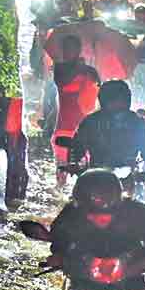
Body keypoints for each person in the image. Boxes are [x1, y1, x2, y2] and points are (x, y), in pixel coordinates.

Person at [68, 80, 145, 180]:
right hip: (96, 176)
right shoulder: (91, 122)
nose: (119, 104)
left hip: (127, 176)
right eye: (114, 100)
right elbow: (77, 145)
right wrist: (75, 163)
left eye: (122, 100)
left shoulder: (137, 123)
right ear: (105, 101)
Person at [48, 34, 101, 182]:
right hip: (63, 123)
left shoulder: (89, 70)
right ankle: (59, 191)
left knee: (85, 166)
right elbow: (62, 83)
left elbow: (98, 88)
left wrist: (89, 72)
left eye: (71, 48)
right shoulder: (59, 68)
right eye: (65, 48)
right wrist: (78, 69)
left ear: (78, 50)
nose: (67, 51)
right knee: (62, 165)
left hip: (84, 123)